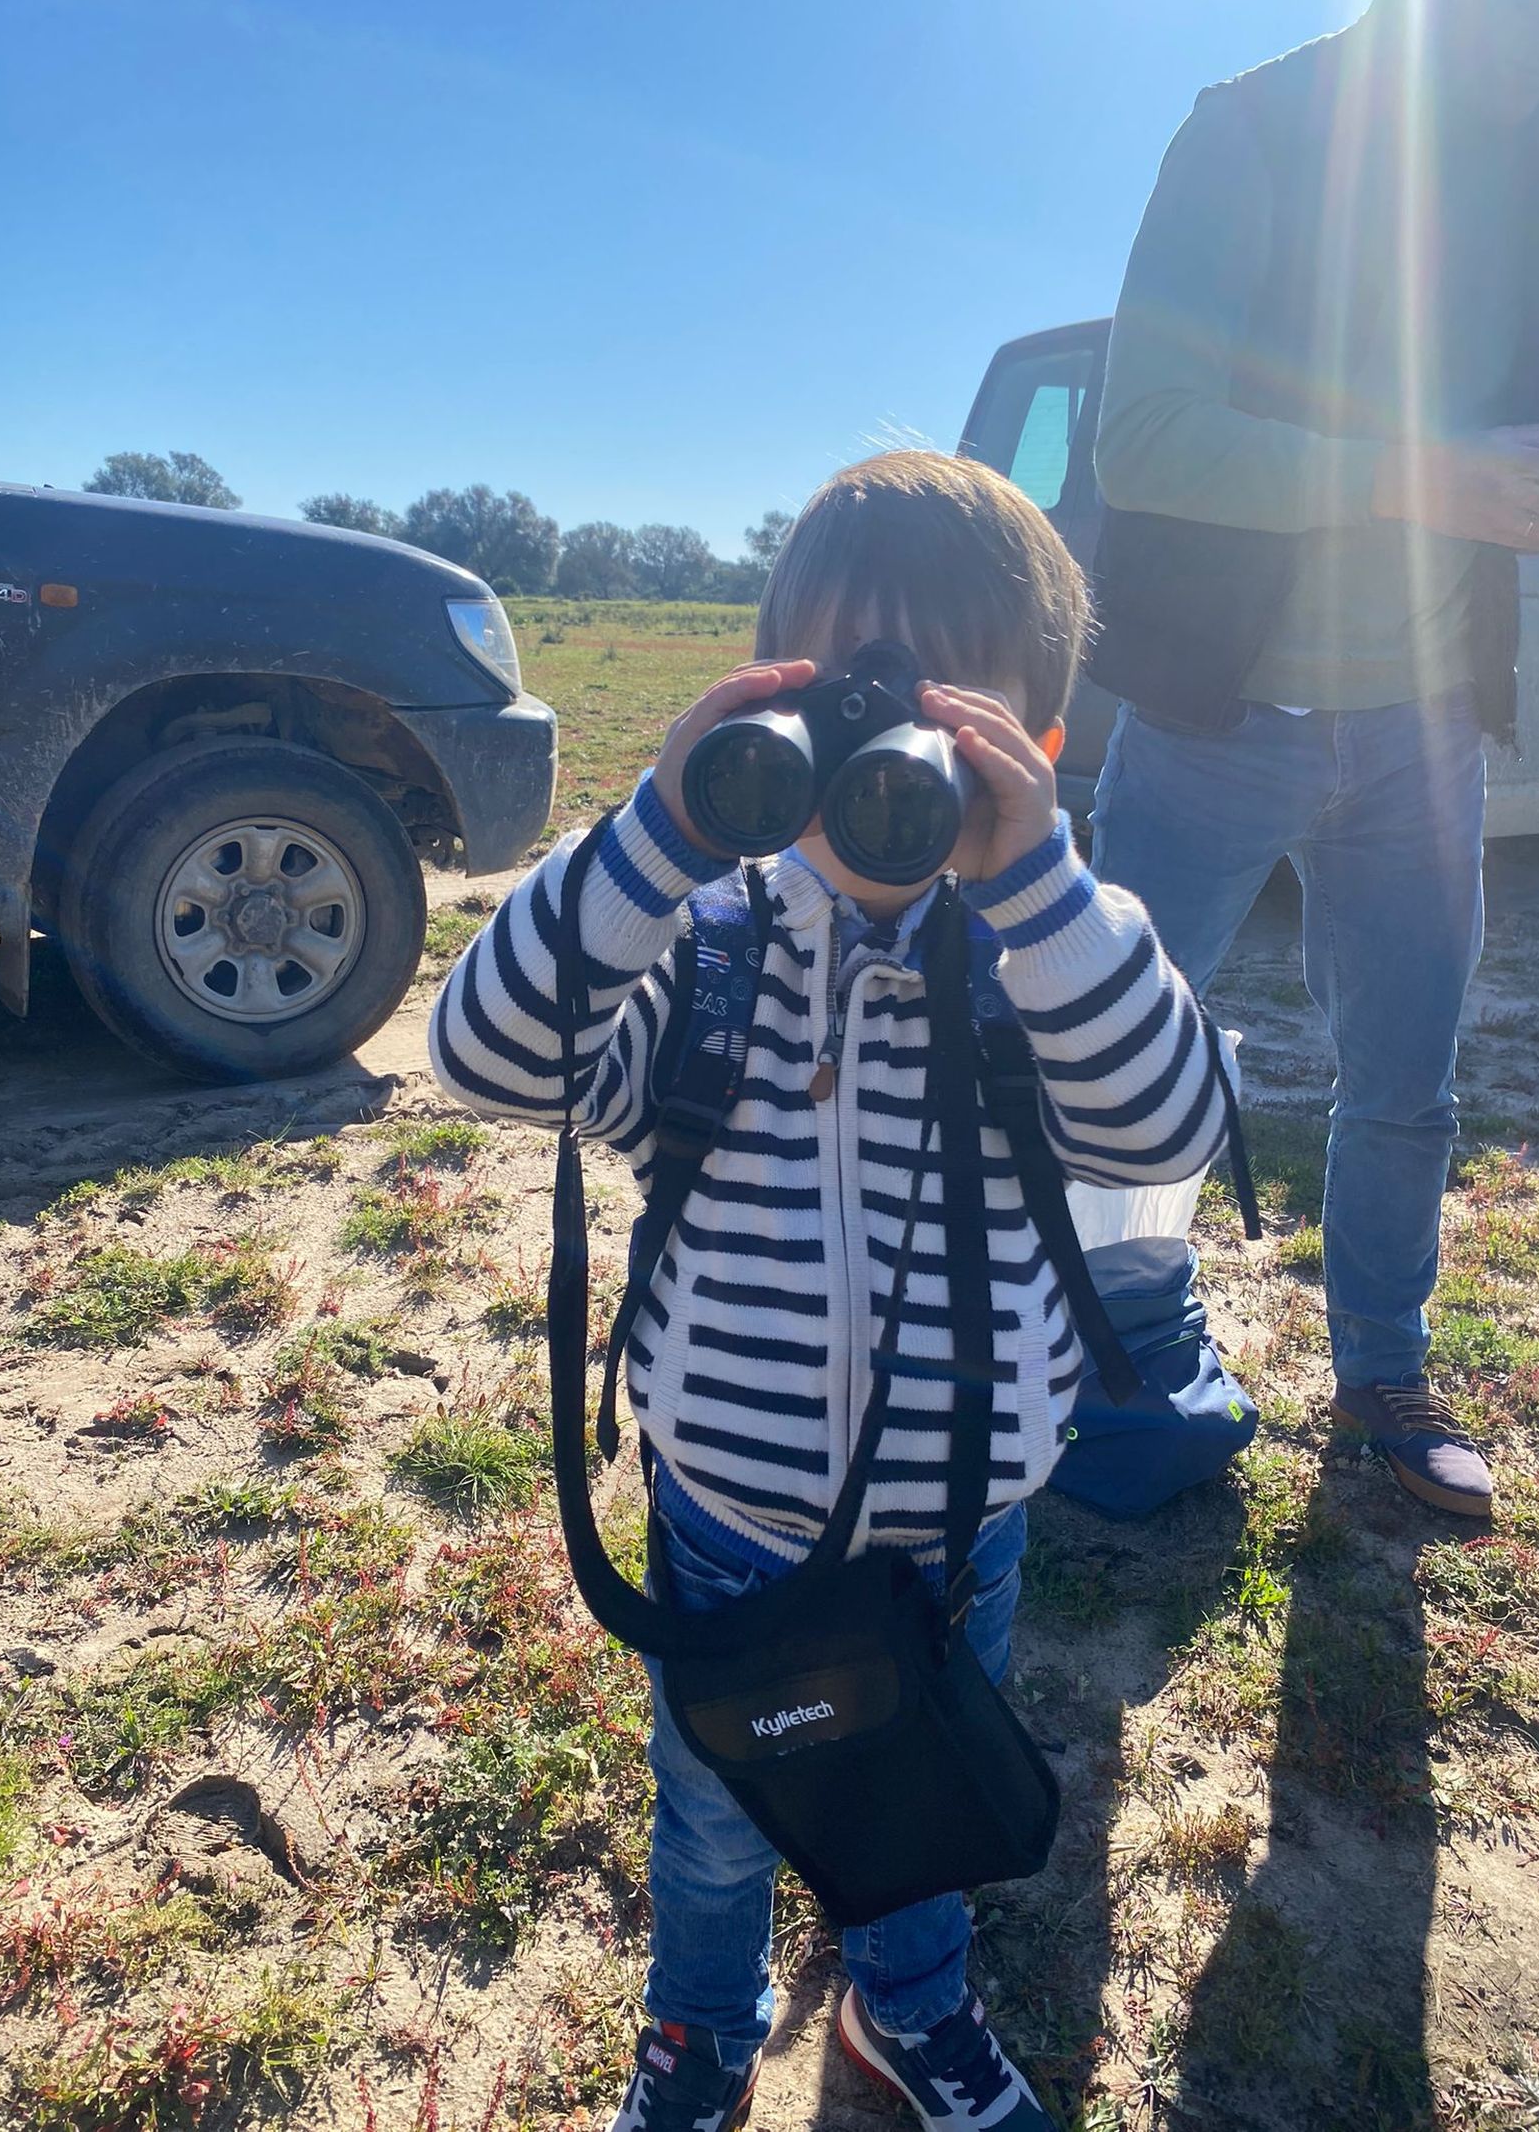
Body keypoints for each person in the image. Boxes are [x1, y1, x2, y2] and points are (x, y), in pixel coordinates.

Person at [430, 451, 1231, 2132]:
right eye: (835, 699)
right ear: (767, 698)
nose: (877, 753)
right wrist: (662, 829)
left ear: (1034, 743)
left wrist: (1035, 878)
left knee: (911, 1806)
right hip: (729, 1521)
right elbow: (487, 1052)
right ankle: (698, 2026)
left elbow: (1172, 1122)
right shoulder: (707, 945)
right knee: (716, 1820)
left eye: (933, 709)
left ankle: (906, 2005)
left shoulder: (1056, 954)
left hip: (960, 1528)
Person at [1088, 0, 1539, 1519]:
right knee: (1101, 1060)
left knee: (1407, 1083)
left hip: (1428, 724)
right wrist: (1424, 479)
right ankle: (1072, 1348)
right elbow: (1144, 438)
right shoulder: (1251, 130)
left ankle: (1383, 1374)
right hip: (1213, 718)